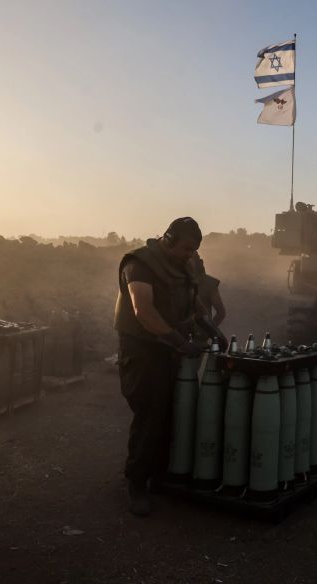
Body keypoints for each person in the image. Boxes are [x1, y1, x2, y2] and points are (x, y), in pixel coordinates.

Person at [113, 217, 204, 516]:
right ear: (167, 239)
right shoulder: (139, 264)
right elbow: (144, 310)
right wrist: (179, 342)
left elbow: (195, 303)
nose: (188, 255)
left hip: (169, 351)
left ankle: (160, 477)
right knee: (150, 415)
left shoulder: (184, 266)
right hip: (143, 351)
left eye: (193, 251)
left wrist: (209, 328)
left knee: (171, 414)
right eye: (185, 248)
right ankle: (137, 484)